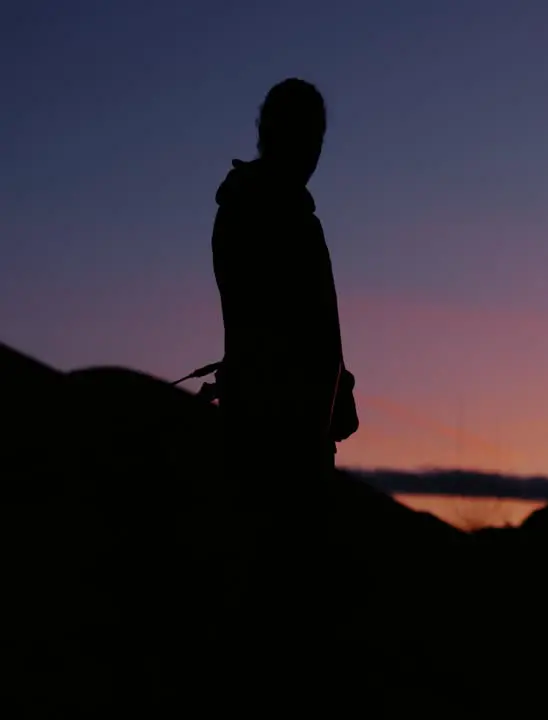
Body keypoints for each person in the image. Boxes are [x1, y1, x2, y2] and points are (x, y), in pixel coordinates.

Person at [209, 77, 362, 711]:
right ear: (278, 133)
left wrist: (337, 387)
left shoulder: (255, 204)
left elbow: (306, 325)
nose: (315, 148)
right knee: (281, 610)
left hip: (283, 429)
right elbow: (292, 325)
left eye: (319, 136)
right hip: (280, 440)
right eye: (308, 133)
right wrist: (326, 396)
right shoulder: (271, 210)